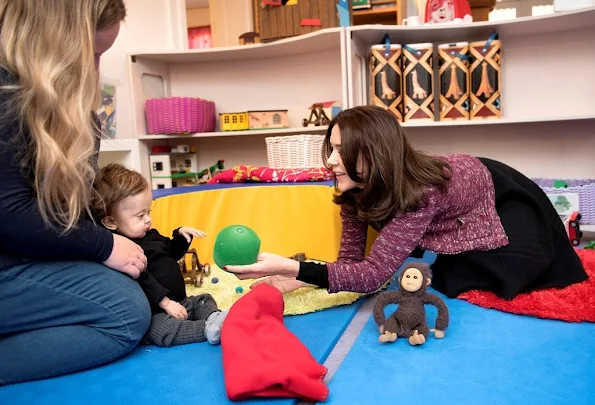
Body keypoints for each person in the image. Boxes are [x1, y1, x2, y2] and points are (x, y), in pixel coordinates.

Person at [226, 105, 588, 300]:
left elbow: (372, 278)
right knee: (451, 276)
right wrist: (300, 281)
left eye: (342, 151)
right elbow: (353, 266)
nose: (331, 161)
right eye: (331, 149)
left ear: (373, 154)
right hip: (449, 191)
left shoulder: (420, 193)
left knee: (519, 274)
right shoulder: (351, 191)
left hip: (496, 189)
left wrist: (293, 268)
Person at [0, 0, 152, 386]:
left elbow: (69, 210)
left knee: (125, 292)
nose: (96, 71)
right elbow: (9, 210)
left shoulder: (72, 114)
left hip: (23, 255)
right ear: (56, 44)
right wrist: (102, 245)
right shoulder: (7, 96)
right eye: (93, 54)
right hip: (11, 253)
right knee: (125, 312)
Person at [91, 164, 227, 347]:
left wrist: (181, 236)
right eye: (140, 216)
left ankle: (214, 317)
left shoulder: (151, 234)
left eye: (149, 212)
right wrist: (166, 304)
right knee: (161, 329)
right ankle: (206, 329)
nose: (148, 219)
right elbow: (144, 280)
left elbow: (172, 252)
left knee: (203, 300)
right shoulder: (124, 253)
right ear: (110, 222)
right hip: (158, 311)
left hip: (182, 302)